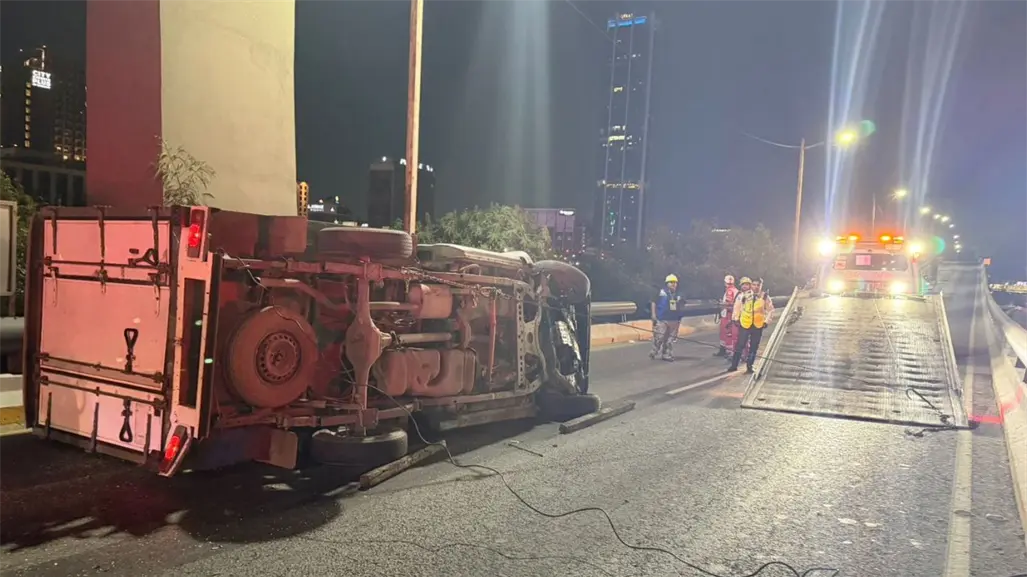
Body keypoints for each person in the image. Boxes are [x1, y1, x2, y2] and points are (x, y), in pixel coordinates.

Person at [729, 277, 774, 373]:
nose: (756, 287)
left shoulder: (765, 297)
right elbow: (737, 307)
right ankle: (734, 365)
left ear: (761, 286)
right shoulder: (743, 295)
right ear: (751, 285)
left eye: (758, 285)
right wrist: (735, 318)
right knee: (740, 345)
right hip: (745, 323)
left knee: (754, 346)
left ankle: (750, 365)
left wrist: (766, 321)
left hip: (758, 325)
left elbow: (770, 310)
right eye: (754, 284)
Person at [650, 274, 684, 361]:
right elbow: (653, 302)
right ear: (667, 283)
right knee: (659, 337)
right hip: (662, 318)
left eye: (675, 283)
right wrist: (653, 315)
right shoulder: (661, 292)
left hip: (674, 319)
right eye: (671, 282)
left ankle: (666, 354)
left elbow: (682, 305)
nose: (674, 284)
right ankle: (655, 350)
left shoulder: (678, 294)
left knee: (670, 340)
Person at [715, 274, 739, 357]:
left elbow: (728, 303)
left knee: (727, 333)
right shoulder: (735, 290)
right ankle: (724, 350)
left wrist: (720, 304)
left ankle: (728, 352)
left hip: (728, 315)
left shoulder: (730, 291)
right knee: (726, 333)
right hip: (729, 314)